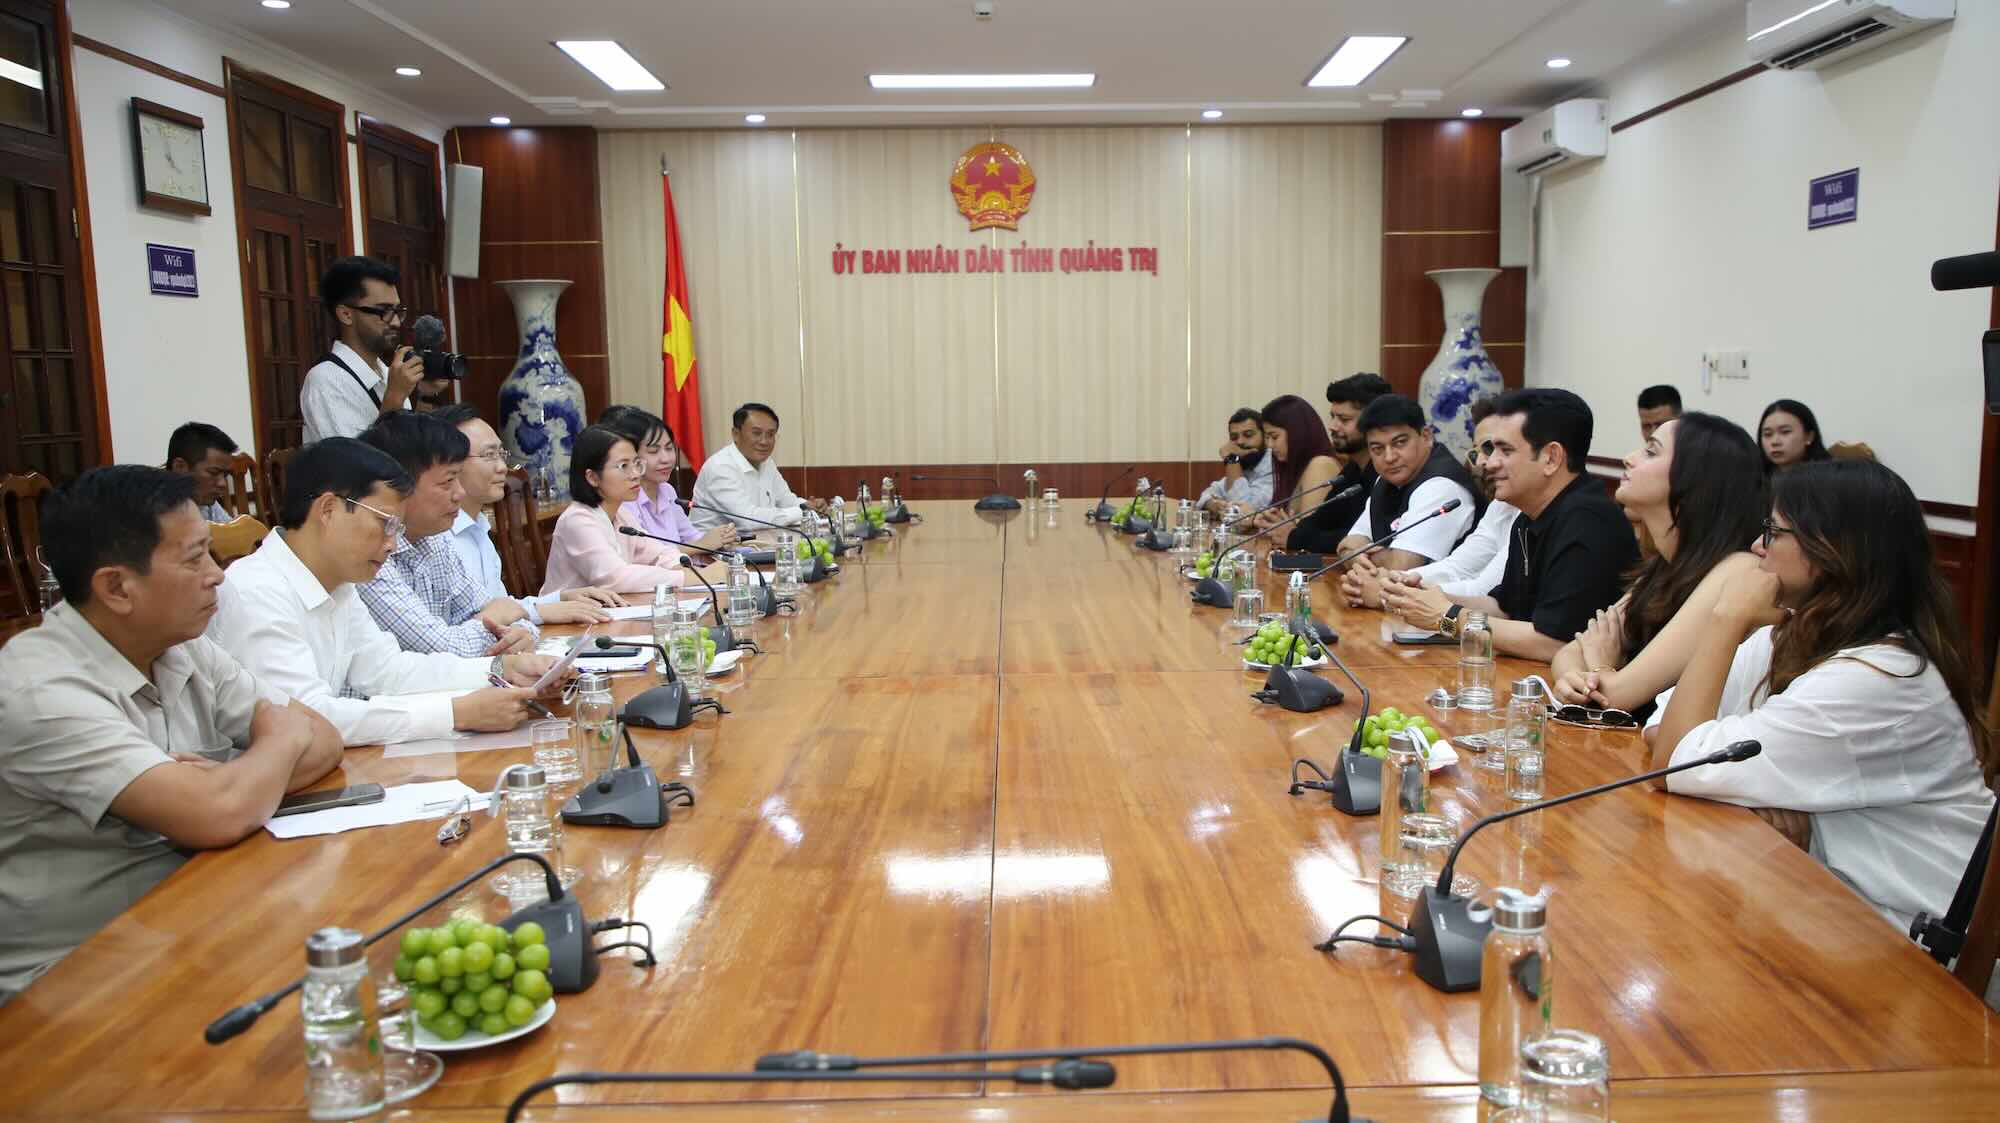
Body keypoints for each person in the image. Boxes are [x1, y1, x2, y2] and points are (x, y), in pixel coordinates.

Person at [0, 466, 341, 1004]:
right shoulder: (38, 691)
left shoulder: (180, 643)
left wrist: (233, 782)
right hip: (75, 974)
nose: (218, 575)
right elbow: (219, 812)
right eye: (194, 559)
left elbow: (323, 738)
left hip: (195, 913)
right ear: (115, 587)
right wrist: (267, 752)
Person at [1646, 459, 1995, 955]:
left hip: (1916, 952)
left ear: (1833, 550)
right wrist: (1698, 763)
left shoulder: (1879, 678)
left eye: (1772, 532)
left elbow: (1671, 761)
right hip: (1827, 907)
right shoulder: (1786, 634)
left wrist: (1726, 617)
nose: (1756, 548)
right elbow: (1664, 728)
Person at [210, 437, 559, 745]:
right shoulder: (257, 590)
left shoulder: (339, 583)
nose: (393, 544)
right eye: (385, 523)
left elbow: (386, 671)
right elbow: (307, 717)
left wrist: (501, 668)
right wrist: (454, 714)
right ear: (329, 510)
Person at [1383, 388, 1636, 661]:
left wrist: (1446, 617)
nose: (1488, 464)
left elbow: (1554, 643)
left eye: (1504, 450)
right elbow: (1503, 608)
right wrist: (1429, 597)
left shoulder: (1589, 522)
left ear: (1551, 458)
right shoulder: (1528, 516)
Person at [1550, 412, 1767, 711]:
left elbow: (1618, 695)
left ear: (1696, 478)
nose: (1628, 458)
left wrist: (1598, 666)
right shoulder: (1665, 566)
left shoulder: (1737, 569)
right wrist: (1580, 678)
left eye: (1651, 451)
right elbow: (1568, 655)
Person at [356, 413, 609, 656]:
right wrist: (497, 620)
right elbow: (448, 649)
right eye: (447, 482)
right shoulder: (370, 557)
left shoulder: (434, 540)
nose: (459, 493)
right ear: (400, 487)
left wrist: (517, 627)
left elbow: (511, 617)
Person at [429, 404, 623, 617]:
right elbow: (477, 621)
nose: (502, 466)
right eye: (489, 455)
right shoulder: (437, 539)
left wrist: (561, 598)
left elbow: (500, 606)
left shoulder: (478, 528)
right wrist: (542, 612)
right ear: (448, 464)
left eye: (500, 453)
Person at [1340, 397, 1519, 609]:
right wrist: (1390, 582)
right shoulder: (1502, 505)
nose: (1481, 463)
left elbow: (1483, 591)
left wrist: (1387, 592)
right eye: (1378, 448)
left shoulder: (1443, 485)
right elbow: (1458, 568)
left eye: (1498, 449)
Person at [545, 425, 720, 594]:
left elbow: (659, 554)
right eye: (623, 466)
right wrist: (690, 578)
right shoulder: (578, 520)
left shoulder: (621, 515)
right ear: (592, 477)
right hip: (564, 621)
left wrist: (689, 571)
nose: (636, 474)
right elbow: (615, 578)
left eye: (637, 464)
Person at [299, 257, 447, 444]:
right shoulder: (325, 381)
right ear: (346, 314)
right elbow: (354, 464)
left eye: (397, 310)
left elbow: (411, 450)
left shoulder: (387, 372)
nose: (395, 322)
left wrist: (426, 393)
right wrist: (395, 397)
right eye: (383, 311)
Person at [1327, 393, 1478, 570]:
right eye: (1377, 449)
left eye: (1399, 443)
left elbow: (1401, 567)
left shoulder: (1441, 486)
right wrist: (1356, 552)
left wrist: (1358, 554)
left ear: (1426, 436)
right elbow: (1348, 544)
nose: (1389, 457)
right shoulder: (1385, 481)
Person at [598, 405, 739, 555]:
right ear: (631, 455)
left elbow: (691, 536)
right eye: (654, 451)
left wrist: (721, 539)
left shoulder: (667, 490)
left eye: (669, 448)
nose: (666, 459)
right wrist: (703, 544)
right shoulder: (625, 497)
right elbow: (643, 556)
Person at [689, 403, 825, 532]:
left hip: (752, 544)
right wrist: (803, 511)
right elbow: (749, 520)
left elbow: (786, 500)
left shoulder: (766, 462)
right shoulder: (720, 467)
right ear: (736, 434)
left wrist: (809, 506)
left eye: (770, 434)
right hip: (709, 551)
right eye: (756, 433)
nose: (764, 441)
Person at [1304, 372, 1392, 547]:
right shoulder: (1352, 469)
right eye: (1333, 417)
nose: (1333, 426)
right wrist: (1290, 531)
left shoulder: (1388, 473)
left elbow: (1366, 538)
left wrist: (1294, 538)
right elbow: (1320, 520)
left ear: (1373, 422)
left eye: (1344, 419)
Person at [1250, 394, 1342, 549]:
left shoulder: (1320, 465)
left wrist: (1260, 520)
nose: (1270, 445)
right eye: (1266, 438)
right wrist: (1264, 519)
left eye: (1274, 437)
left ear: (1297, 433)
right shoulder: (1295, 467)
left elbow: (1305, 533)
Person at [1196, 407, 1275, 516]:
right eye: (1234, 437)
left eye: (1248, 435)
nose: (1240, 442)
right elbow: (1208, 493)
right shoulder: (1246, 464)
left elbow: (1242, 513)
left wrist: (1231, 459)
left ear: (1265, 437)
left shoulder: (1274, 465)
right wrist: (1214, 504)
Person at [165, 421, 239, 522]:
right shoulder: (155, 513)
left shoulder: (204, 501)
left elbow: (232, 532)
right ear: (180, 467)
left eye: (225, 475)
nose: (223, 484)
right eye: (213, 472)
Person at [1758, 398, 1830, 474]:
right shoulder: (1754, 477)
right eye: (1768, 434)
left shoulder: (1831, 478)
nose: (1775, 442)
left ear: (1809, 436)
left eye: (1785, 432)